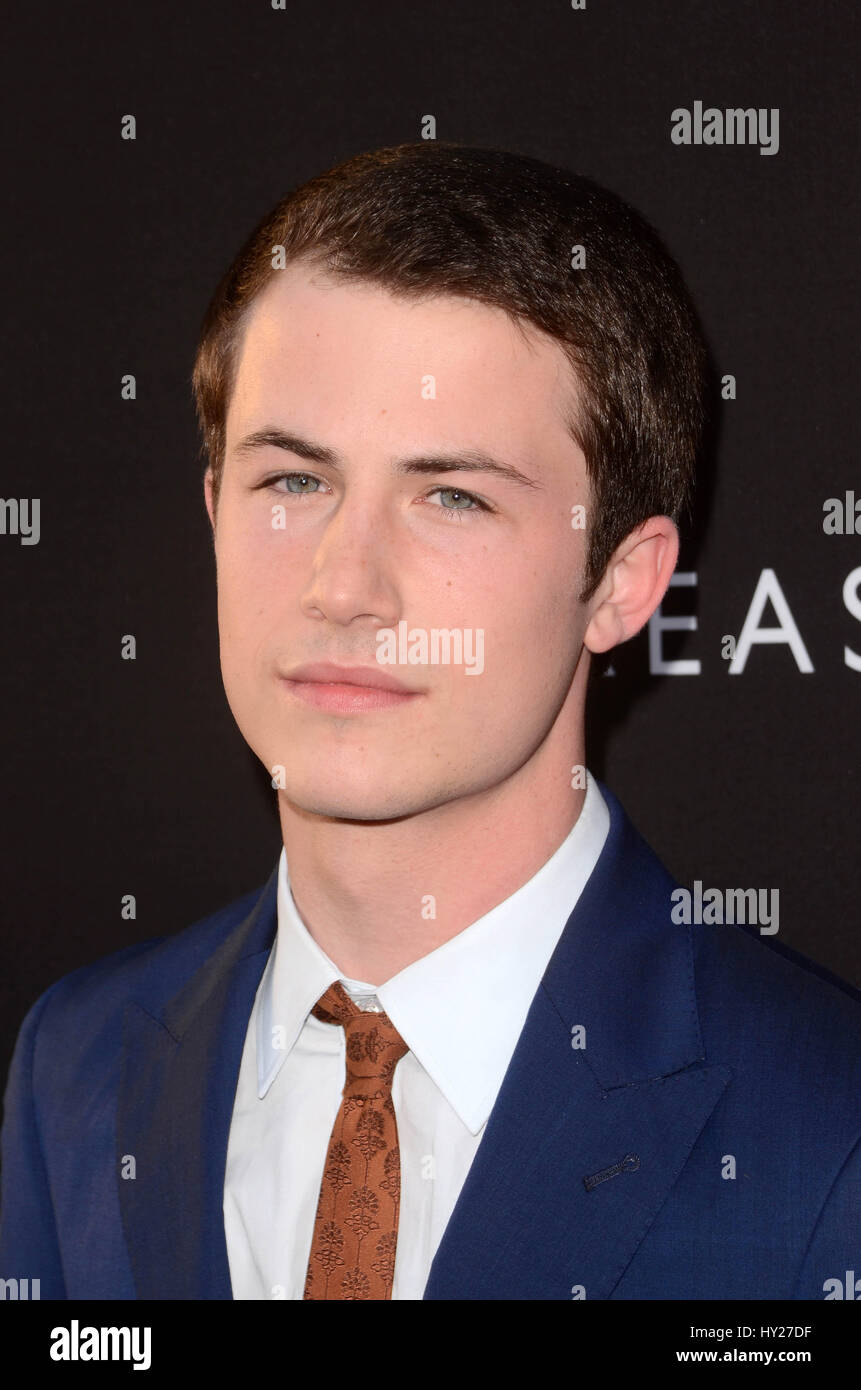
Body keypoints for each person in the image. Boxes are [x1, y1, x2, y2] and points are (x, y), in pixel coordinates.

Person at [1, 142, 858, 1301]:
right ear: (213, 509)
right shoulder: (77, 1064)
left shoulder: (827, 1125)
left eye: (452, 497)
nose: (344, 586)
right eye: (293, 482)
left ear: (622, 582)